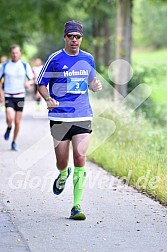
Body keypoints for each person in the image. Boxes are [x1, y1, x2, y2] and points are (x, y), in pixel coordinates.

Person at [36, 20, 102, 220]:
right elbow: (41, 83)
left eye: (78, 37)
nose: (74, 40)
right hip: (60, 116)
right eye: (71, 36)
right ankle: (63, 174)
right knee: (61, 160)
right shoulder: (55, 59)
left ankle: (76, 206)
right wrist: (48, 99)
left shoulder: (88, 58)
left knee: (80, 157)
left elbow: (90, 82)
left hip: (83, 115)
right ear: (65, 37)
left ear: (81, 38)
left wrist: (95, 85)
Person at [0, 45, 34, 151]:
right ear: (10, 54)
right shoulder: (5, 66)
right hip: (9, 95)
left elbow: (32, 79)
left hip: (20, 96)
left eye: (17, 53)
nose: (15, 55)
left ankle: (14, 141)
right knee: (9, 118)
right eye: (13, 53)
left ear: (20, 54)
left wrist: (29, 83)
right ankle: (9, 127)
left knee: (17, 122)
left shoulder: (24, 65)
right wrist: (1, 95)